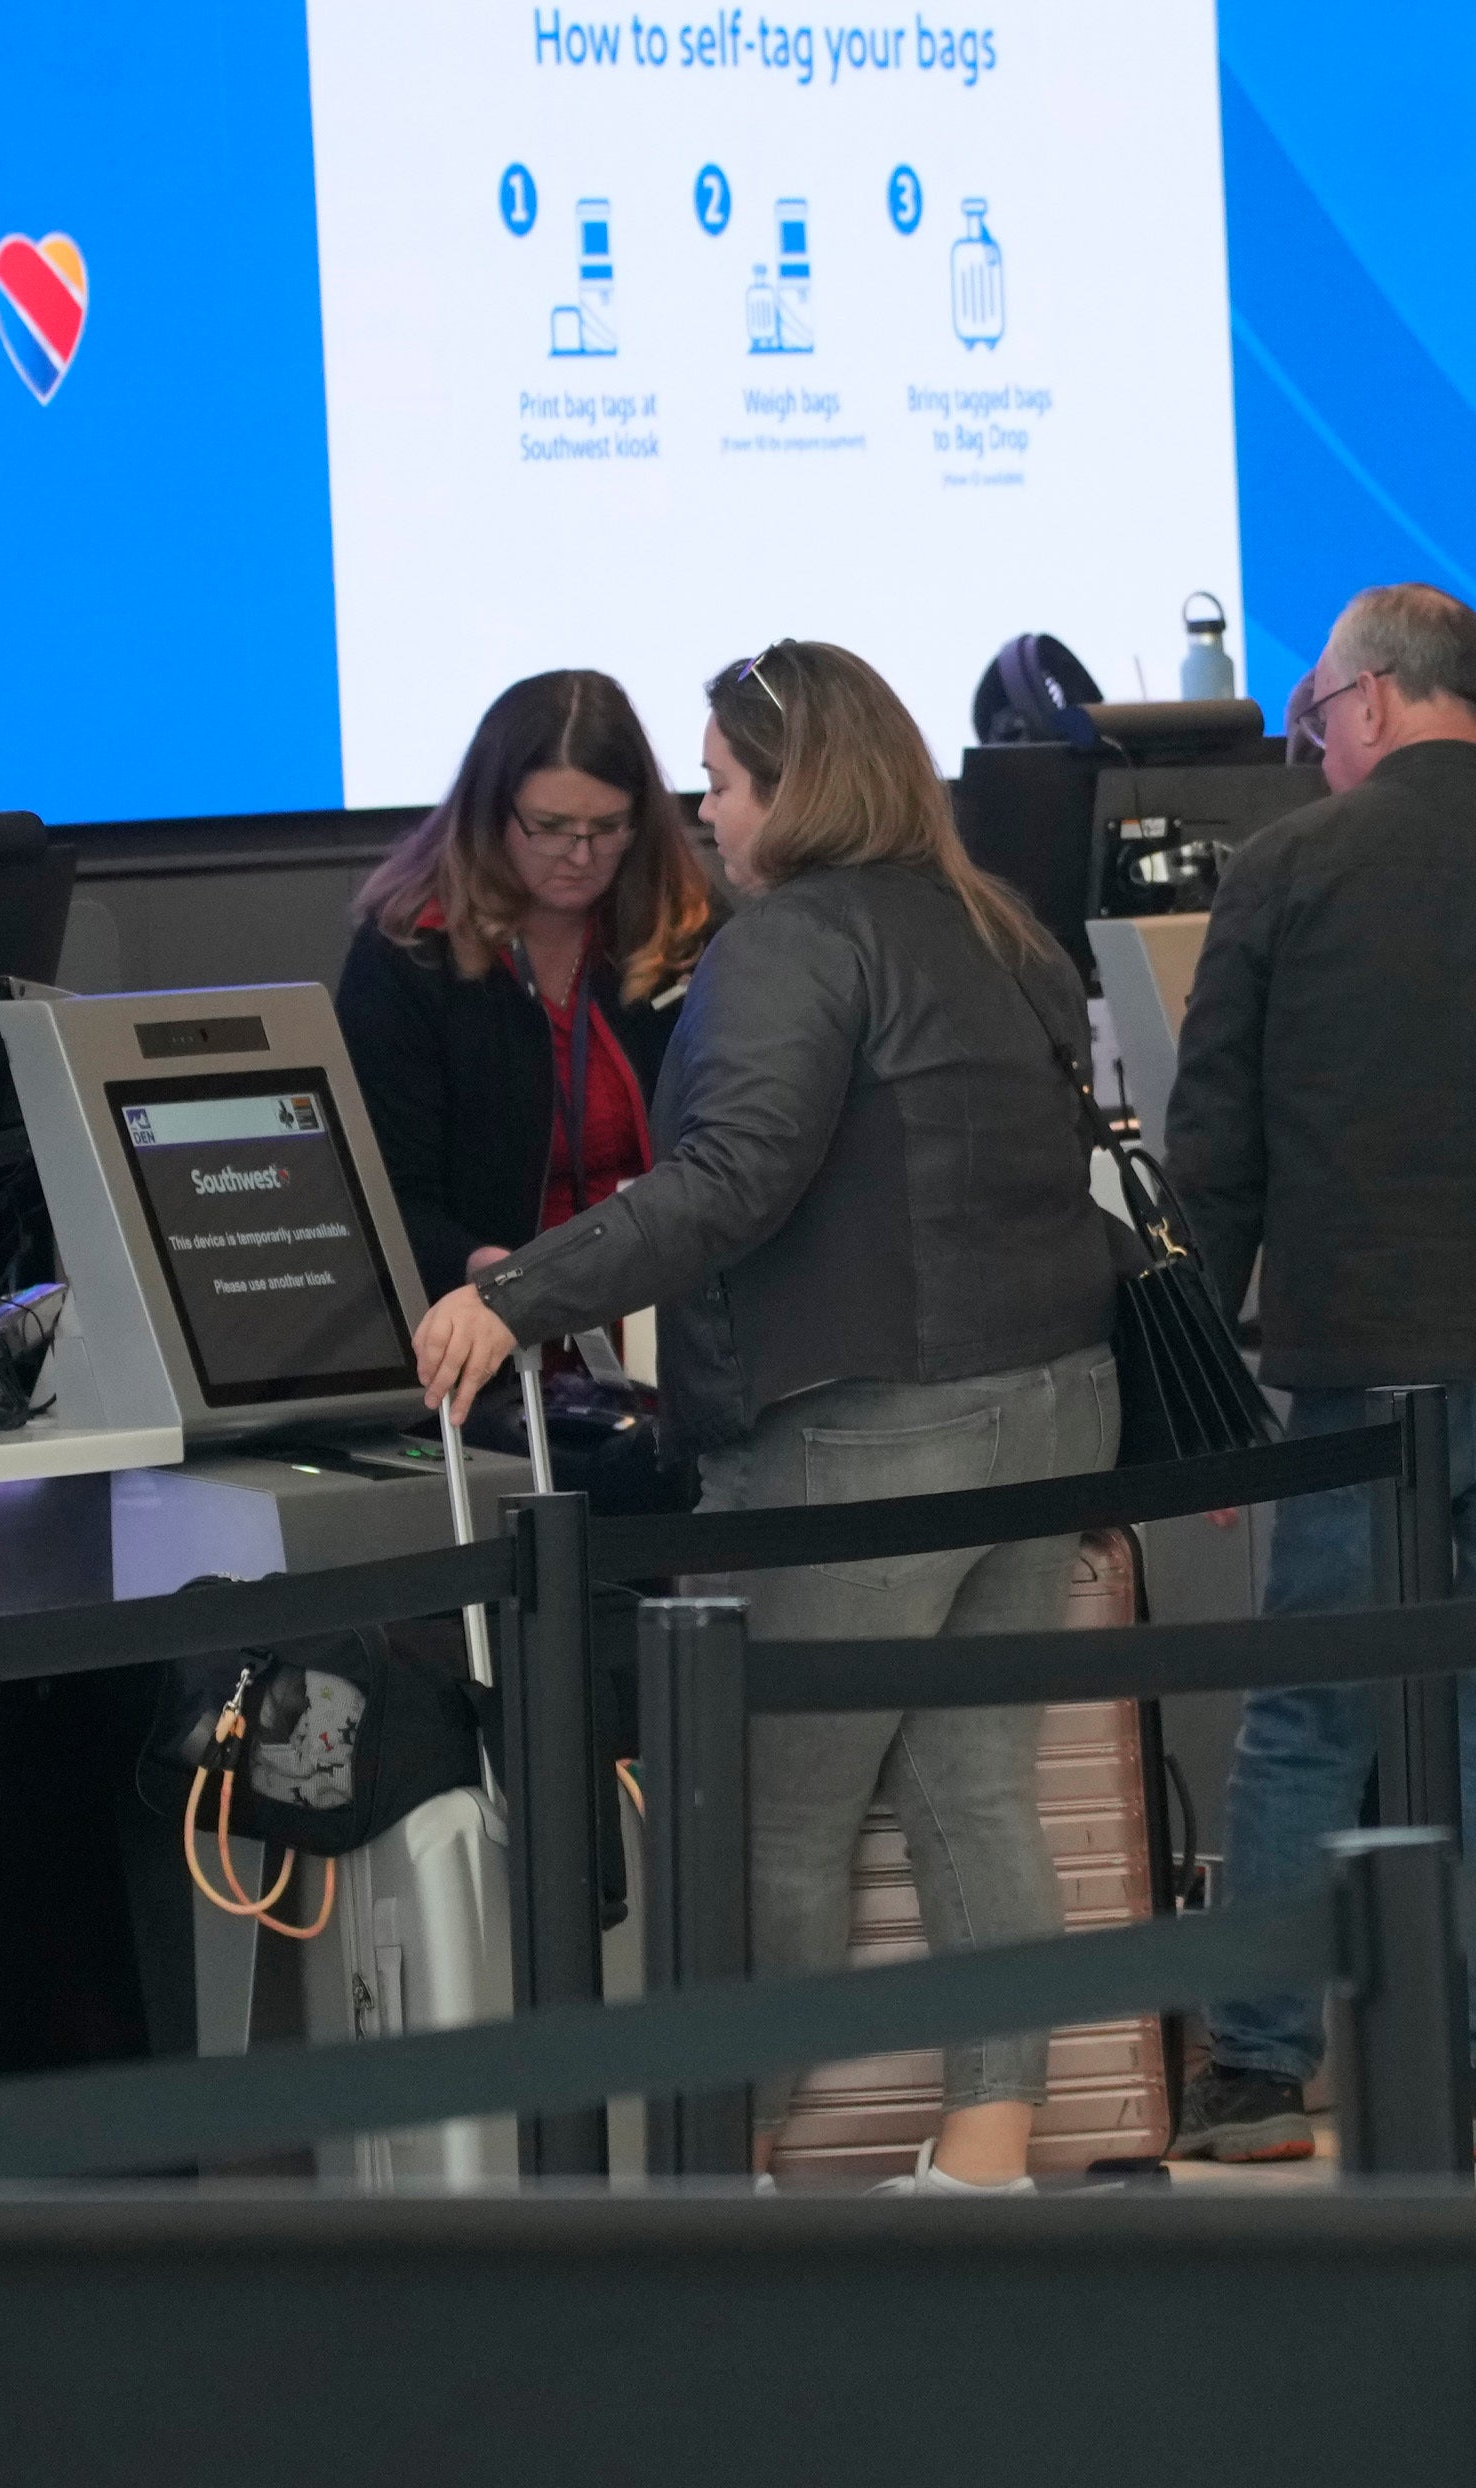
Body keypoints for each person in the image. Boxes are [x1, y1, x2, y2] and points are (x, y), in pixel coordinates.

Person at [408, 641, 1119, 2193]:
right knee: (977, 1798)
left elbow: (730, 1180)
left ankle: (719, 2173)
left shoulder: (792, 943)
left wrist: (515, 1292)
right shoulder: (999, 928)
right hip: (1057, 1404)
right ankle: (986, 2158)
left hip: (861, 1424)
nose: (706, 817)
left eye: (721, 783)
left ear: (793, 788)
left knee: (772, 1827)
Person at [1162, 586, 1476, 2164]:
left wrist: (1189, 1376)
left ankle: (1254, 2071)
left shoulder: (1286, 871)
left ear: (1372, 704)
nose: (1317, 746)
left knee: (1312, 1712)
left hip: (1349, 1377)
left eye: (1317, 718)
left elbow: (1218, 1148)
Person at [335, 666, 711, 1325]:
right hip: (492, 1335)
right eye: (550, 825)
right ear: (491, 813)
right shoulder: (411, 956)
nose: (580, 854)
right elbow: (383, 1195)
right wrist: (487, 1272)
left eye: (607, 827)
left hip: (673, 1335)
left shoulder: (688, 936)